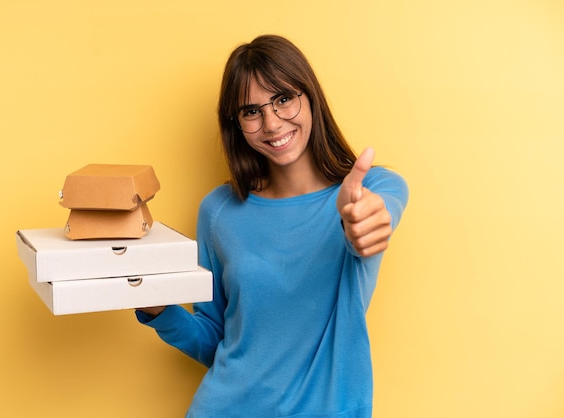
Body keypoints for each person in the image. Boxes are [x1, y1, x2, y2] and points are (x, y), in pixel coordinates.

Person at [136, 34, 409, 417]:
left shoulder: (370, 191)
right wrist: (157, 308)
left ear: (309, 95)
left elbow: (377, 217)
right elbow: (216, 339)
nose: (271, 123)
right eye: (251, 111)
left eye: (283, 99)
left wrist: (363, 225)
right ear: (237, 124)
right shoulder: (219, 211)